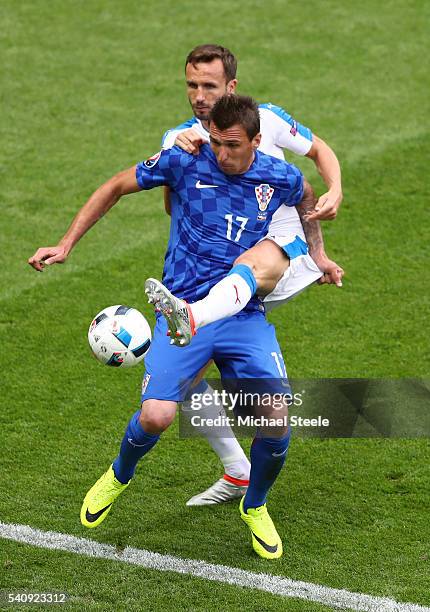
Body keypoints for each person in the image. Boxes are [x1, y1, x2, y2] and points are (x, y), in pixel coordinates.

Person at [28, 95, 337, 559]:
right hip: (179, 308)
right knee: (156, 415)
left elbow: (307, 197)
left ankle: (255, 505)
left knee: (275, 422)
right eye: (215, 142)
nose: (221, 153)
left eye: (232, 145)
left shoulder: (278, 176)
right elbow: (114, 186)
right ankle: (118, 475)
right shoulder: (185, 159)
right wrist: (66, 243)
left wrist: (319, 256)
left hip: (243, 316)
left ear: (257, 141)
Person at [159, 44, 343, 505]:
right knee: (179, 379)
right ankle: (238, 469)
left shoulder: (266, 121)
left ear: (232, 88)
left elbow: (319, 153)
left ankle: (195, 316)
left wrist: (333, 199)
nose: (201, 97)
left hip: (275, 254)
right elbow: (175, 209)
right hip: (220, 271)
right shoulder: (178, 140)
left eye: (211, 87)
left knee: (247, 272)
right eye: (193, 86)